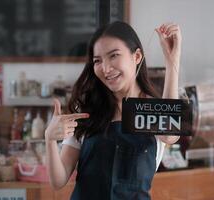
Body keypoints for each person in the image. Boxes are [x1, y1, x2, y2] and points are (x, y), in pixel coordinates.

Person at [45, 21, 182, 200]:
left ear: (137, 56)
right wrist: (49, 138)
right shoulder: (87, 109)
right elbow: (58, 180)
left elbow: (171, 134)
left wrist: (172, 61)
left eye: (114, 55)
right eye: (97, 61)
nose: (106, 68)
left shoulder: (153, 109)